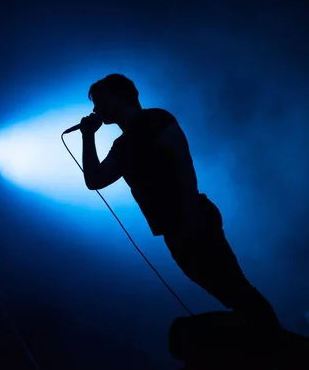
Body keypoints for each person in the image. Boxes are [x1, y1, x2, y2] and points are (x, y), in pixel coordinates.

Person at [79, 74, 281, 330]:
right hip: (173, 231)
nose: (95, 109)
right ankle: (276, 346)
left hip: (192, 219)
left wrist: (191, 214)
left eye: (99, 100)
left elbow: (183, 163)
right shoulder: (122, 146)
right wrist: (88, 136)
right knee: (234, 296)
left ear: (118, 96)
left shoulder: (155, 120)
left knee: (238, 290)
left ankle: (284, 350)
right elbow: (95, 179)